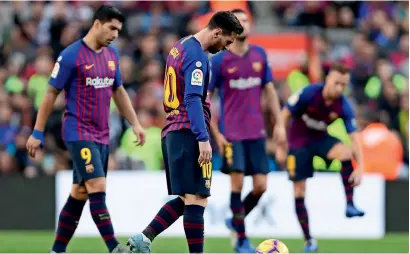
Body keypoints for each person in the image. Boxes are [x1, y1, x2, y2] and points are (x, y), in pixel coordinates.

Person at [25, 5, 146, 253]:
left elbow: (118, 91)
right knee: (97, 186)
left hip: (102, 134)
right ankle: (114, 247)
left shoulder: (111, 56)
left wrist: (135, 123)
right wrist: (37, 132)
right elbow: (50, 94)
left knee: (80, 192)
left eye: (119, 30)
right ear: (97, 24)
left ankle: (57, 250)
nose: (115, 34)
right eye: (112, 28)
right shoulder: (71, 56)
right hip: (78, 132)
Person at [126, 11, 244, 254]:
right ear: (217, 32)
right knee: (197, 199)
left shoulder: (180, 46)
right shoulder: (197, 56)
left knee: (190, 197)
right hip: (188, 130)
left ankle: (145, 238)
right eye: (227, 42)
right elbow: (191, 98)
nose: (226, 48)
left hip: (175, 129)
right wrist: (203, 138)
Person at [207, 9, 286, 253]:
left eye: (247, 20)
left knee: (261, 185)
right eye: (239, 21)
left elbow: (270, 90)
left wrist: (280, 123)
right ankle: (241, 239)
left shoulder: (259, 55)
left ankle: (234, 221)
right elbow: (206, 99)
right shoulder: (220, 60)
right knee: (237, 184)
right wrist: (216, 133)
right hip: (232, 133)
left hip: (256, 132)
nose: (244, 24)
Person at [280, 63, 365, 252]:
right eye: (337, 83)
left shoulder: (343, 105)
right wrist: (281, 145)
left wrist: (361, 167)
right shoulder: (309, 93)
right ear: (327, 79)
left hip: (320, 139)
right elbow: (284, 114)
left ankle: (350, 204)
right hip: (298, 142)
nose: (340, 88)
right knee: (299, 191)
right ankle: (309, 239)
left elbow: (354, 139)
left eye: (344, 85)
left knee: (345, 152)